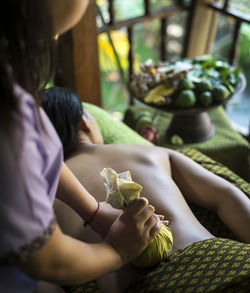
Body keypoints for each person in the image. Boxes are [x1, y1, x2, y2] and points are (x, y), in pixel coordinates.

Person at [0, 1, 162, 292]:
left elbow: (31, 156)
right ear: (87, 124)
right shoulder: (9, 126)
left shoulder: (9, 81)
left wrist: (94, 211)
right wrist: (118, 251)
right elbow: (47, 261)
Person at [41, 86, 250, 293]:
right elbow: (226, 195)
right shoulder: (150, 153)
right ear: (85, 121)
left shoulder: (41, 199)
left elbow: (42, 279)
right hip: (222, 259)